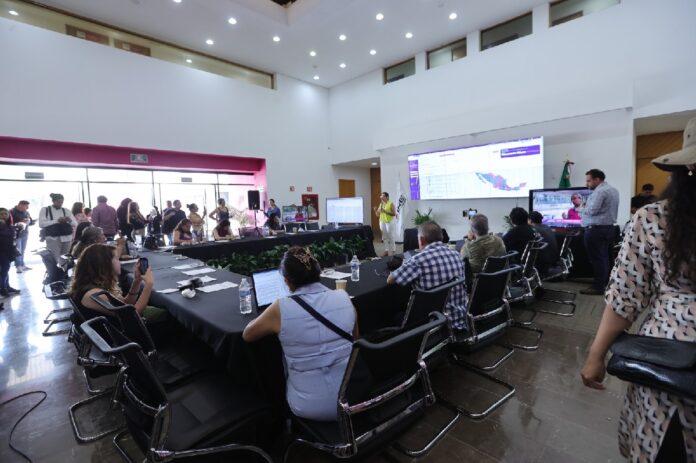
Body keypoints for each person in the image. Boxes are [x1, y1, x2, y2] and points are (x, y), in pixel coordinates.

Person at [581, 118, 696, 462]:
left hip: (672, 362)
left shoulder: (655, 218)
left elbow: (625, 297)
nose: (586, 184)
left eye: (588, 179)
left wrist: (596, 355)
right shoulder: (624, 199)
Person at [243, 246, 357, 421]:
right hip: (352, 396)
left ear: (287, 282)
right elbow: (356, 340)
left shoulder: (280, 307)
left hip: (308, 405)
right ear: (319, 273)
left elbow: (248, 335)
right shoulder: (344, 297)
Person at [387, 221, 468, 332]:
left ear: (421, 240)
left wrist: (405, 264)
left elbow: (390, 280)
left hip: (433, 325)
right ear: (441, 237)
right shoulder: (457, 255)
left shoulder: (418, 260)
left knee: (396, 316)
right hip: (459, 319)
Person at [69, 243, 167, 324]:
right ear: (105, 264)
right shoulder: (95, 294)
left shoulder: (95, 286)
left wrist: (137, 281)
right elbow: (134, 315)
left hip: (116, 332)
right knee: (169, 319)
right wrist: (148, 285)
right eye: (116, 259)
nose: (120, 262)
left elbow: (125, 304)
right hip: (122, 338)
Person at [580, 169, 620, 295]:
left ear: (597, 179)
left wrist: (581, 208)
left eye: (588, 181)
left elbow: (592, 211)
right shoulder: (613, 190)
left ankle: (598, 287)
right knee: (606, 258)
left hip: (596, 230)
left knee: (598, 259)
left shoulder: (600, 192)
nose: (587, 183)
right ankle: (606, 283)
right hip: (608, 228)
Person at [39, 193, 75, 263]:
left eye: (62, 202)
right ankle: (56, 270)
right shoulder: (45, 210)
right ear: (53, 201)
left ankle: (64, 270)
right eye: (58, 202)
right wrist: (57, 221)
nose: (60, 204)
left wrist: (69, 220)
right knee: (55, 259)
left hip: (66, 237)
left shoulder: (66, 210)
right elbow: (41, 224)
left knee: (65, 259)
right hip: (52, 238)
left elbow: (75, 223)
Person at [528, 211, 560, 275]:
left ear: (530, 220)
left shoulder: (533, 229)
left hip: (543, 264)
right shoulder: (547, 227)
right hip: (553, 260)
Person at [0, 208, 20, 297]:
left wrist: (19, 228)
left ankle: (7, 287)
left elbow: (13, 235)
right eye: (1, 214)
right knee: (4, 269)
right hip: (1, 251)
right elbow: (7, 233)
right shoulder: (2, 225)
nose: (4, 216)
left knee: (6, 269)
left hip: (8, 250)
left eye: (5, 214)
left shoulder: (9, 225)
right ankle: (2, 288)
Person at [10, 200, 32, 273]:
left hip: (25, 234)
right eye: (26, 206)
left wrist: (29, 221)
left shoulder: (26, 212)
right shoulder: (11, 212)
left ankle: (22, 265)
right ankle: (18, 266)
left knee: (23, 250)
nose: (27, 208)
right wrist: (20, 222)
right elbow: (9, 223)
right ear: (21, 205)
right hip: (16, 235)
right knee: (18, 251)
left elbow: (30, 220)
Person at [374, 192, 396, 257]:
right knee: (384, 237)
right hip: (382, 221)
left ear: (387, 197)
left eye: (383, 196)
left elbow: (394, 214)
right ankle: (386, 251)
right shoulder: (381, 204)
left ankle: (393, 250)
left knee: (390, 236)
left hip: (389, 222)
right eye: (381, 196)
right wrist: (375, 210)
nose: (381, 197)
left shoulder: (391, 203)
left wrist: (385, 211)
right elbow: (377, 214)